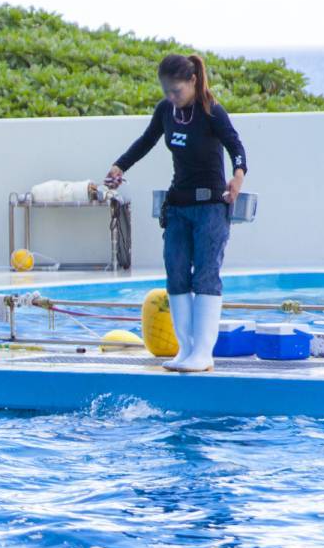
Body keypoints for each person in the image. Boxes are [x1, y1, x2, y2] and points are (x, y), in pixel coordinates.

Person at [105, 54, 247, 373]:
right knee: (177, 274)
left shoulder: (212, 111)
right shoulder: (165, 111)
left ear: (193, 81)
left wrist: (237, 178)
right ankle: (185, 350)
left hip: (211, 207)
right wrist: (119, 166)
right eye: (167, 90)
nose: (171, 97)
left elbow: (236, 146)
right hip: (178, 207)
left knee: (206, 275)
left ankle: (203, 353)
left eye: (177, 90)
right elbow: (146, 141)